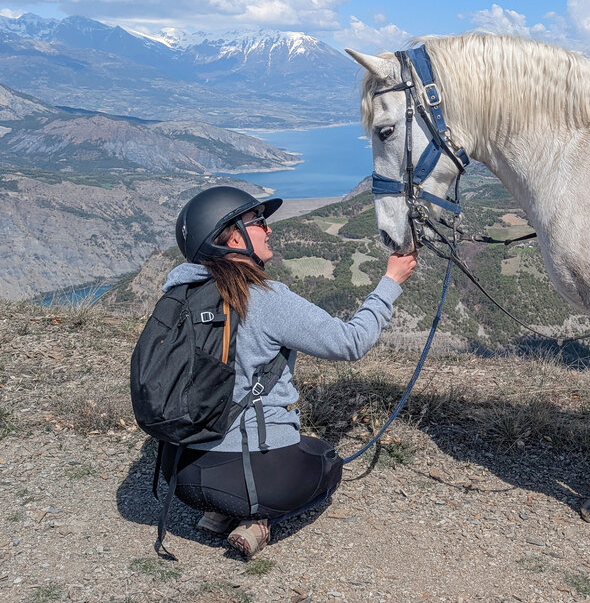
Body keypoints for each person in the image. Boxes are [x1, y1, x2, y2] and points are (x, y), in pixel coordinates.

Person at [160, 185, 416, 557]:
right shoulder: (263, 298)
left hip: (180, 476)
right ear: (234, 237)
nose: (269, 229)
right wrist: (390, 283)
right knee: (326, 461)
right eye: (259, 222)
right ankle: (257, 520)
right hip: (246, 478)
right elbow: (350, 342)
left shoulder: (177, 296)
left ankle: (216, 514)